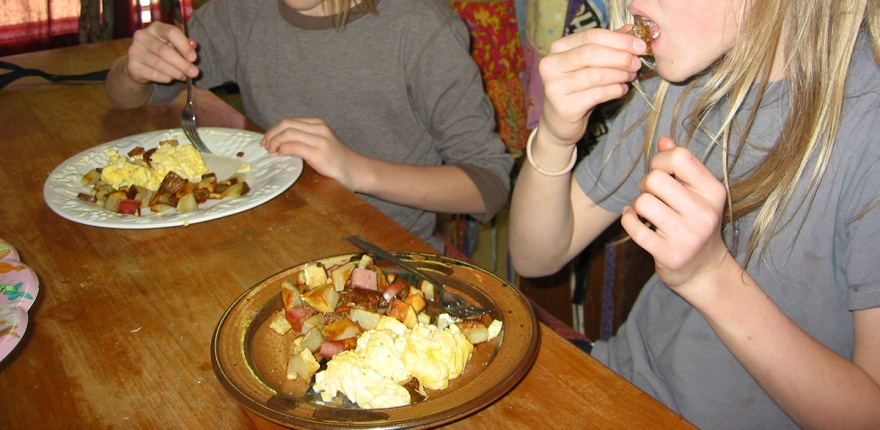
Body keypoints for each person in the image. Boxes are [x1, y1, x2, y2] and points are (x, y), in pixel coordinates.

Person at [508, 0, 880, 427]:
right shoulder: (684, 81)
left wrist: (709, 277)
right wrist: (555, 136)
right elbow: (536, 256)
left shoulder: (868, 129)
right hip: (623, 385)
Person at [104, 0, 514, 252]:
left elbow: (488, 185)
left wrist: (357, 170)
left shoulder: (422, 29)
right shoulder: (240, 12)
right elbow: (130, 98)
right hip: (266, 237)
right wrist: (134, 68)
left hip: (387, 257)